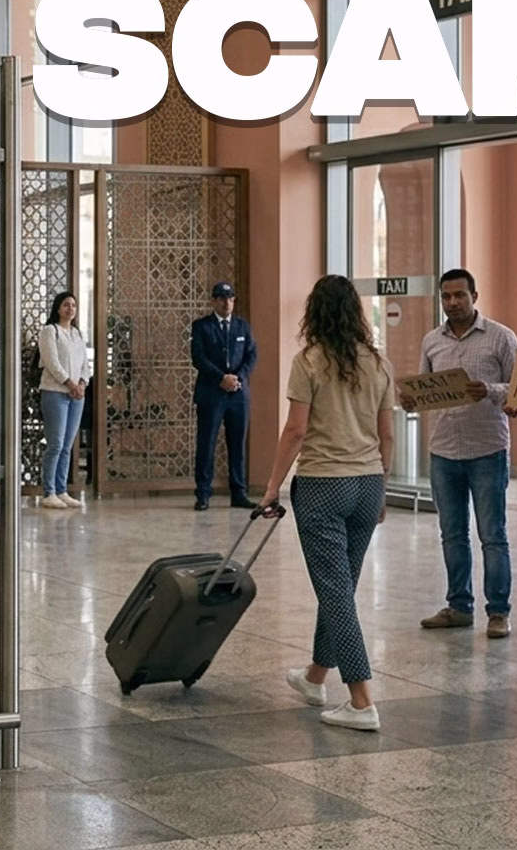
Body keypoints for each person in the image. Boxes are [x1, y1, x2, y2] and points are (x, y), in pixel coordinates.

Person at [259, 274, 394, 732]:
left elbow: (296, 430)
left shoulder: (309, 361)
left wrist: (272, 485)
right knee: (341, 586)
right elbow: (387, 433)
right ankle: (316, 676)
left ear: (314, 313)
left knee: (335, 590)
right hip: (368, 482)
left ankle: (361, 701)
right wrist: (382, 484)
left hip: (322, 486)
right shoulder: (378, 363)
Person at [411, 268, 517, 639]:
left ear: (475, 295)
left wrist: (488, 390)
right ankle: (459, 606)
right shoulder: (431, 341)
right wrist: (412, 397)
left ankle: (499, 612)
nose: (453, 303)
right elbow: (423, 388)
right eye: (446, 297)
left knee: (493, 534)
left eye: (460, 295)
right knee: (451, 533)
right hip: (443, 451)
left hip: (487, 449)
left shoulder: (500, 337)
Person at [191, 281, 258, 510]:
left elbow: (251, 355)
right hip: (211, 393)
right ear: (214, 301)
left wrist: (237, 378)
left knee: (237, 444)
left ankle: (238, 492)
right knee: (207, 443)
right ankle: (203, 493)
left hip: (238, 395)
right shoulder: (202, 326)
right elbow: (198, 358)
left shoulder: (242, 327)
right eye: (221, 298)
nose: (226, 302)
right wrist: (221, 378)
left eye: (230, 298)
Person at [35, 290, 91, 510]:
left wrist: (82, 384)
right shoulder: (50, 331)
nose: (70, 309)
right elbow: (51, 361)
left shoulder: (77, 334)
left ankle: (61, 490)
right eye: (66, 305)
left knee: (67, 445)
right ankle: (48, 491)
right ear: (58, 308)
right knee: (55, 444)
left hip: (77, 395)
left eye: (74, 306)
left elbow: (85, 364)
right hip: (55, 392)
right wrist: (69, 383)